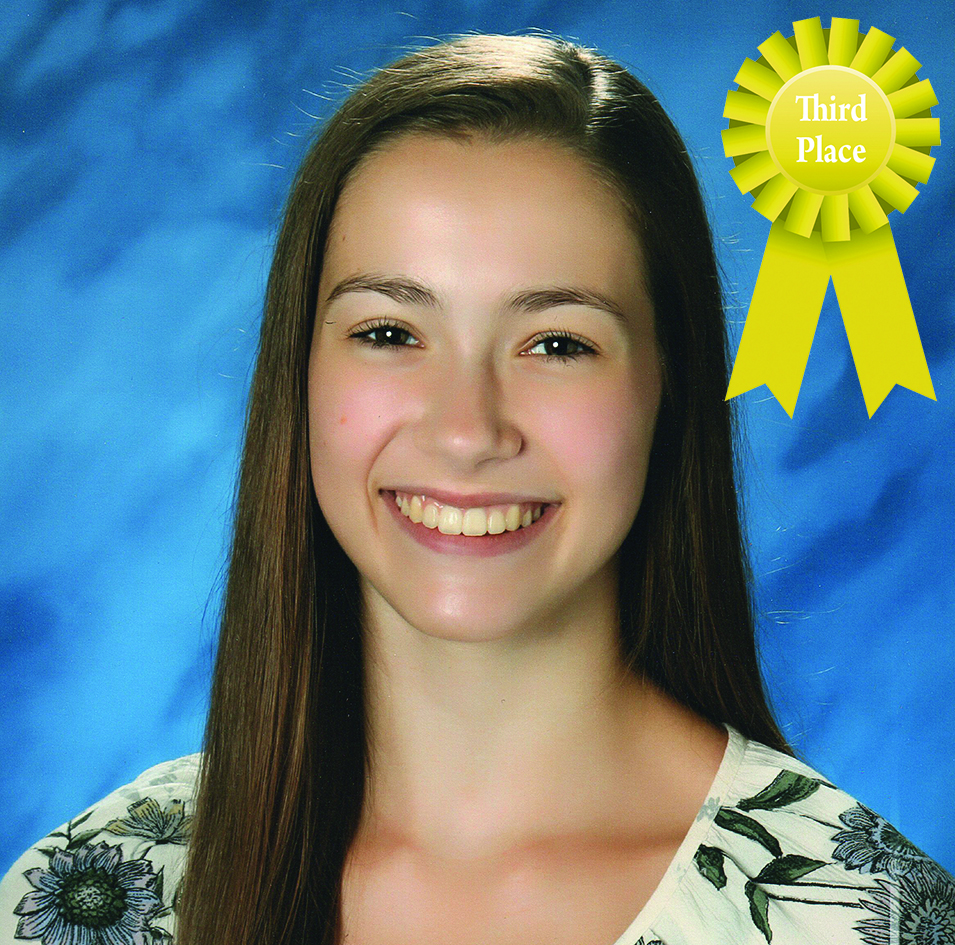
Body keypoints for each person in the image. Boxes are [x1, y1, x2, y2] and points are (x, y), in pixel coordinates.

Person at [1, 34, 951, 945]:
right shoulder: (94, 892)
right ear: (297, 371)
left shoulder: (855, 914)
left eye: (557, 343)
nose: (466, 429)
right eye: (388, 332)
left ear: (671, 388)